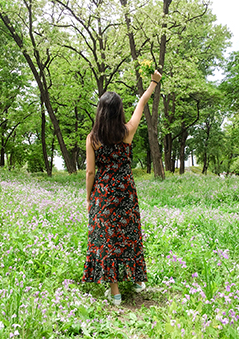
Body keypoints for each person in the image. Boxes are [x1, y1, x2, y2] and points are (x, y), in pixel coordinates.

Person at [81, 71, 160, 304]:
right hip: (125, 191)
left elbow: (90, 172)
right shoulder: (127, 131)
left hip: (103, 193)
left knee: (107, 237)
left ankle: (115, 293)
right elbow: (141, 103)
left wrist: (89, 198)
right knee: (129, 234)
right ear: (119, 111)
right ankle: (137, 280)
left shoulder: (92, 138)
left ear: (100, 112)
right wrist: (153, 83)